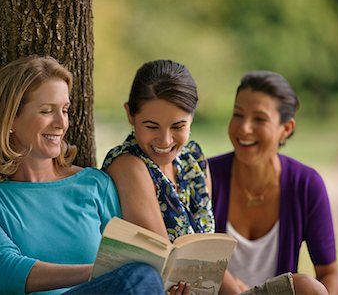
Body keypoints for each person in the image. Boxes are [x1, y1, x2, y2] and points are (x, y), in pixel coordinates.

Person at [0, 55, 165, 295]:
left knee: (144, 279)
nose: (61, 123)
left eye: (64, 110)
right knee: (138, 278)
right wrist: (101, 271)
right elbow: (7, 273)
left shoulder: (95, 185)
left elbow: (125, 264)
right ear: (10, 118)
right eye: (47, 111)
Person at [102, 60, 302, 295]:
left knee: (306, 287)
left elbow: (208, 262)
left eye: (178, 126)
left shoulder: (192, 161)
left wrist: (237, 289)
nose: (165, 140)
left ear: (192, 118)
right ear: (130, 114)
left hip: (210, 289)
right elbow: (167, 264)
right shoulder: (130, 164)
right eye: (151, 126)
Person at [208, 70, 338, 294]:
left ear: (286, 129)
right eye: (238, 114)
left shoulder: (305, 184)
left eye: (259, 119)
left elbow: (329, 271)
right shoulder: (205, 175)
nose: (244, 128)